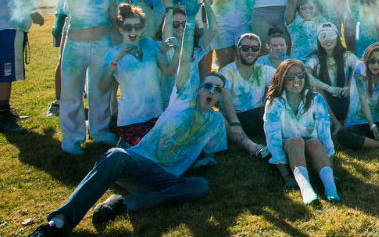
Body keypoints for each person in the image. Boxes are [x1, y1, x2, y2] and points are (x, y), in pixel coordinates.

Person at [26, 20, 228, 236]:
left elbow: (211, 147)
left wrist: (210, 156)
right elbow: (185, 64)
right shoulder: (183, 98)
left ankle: (124, 203)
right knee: (115, 155)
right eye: (208, 86)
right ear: (198, 90)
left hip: (163, 177)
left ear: (219, 97)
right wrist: (189, 24)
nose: (211, 92)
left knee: (199, 186)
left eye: (217, 89)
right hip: (140, 163)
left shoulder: (215, 122)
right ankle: (59, 222)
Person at [14, 0, 117, 154]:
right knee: (71, 93)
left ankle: (99, 132)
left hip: (102, 44)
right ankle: (72, 139)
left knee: (101, 91)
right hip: (76, 46)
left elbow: (109, 11)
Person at [98, 4, 179, 147]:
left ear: (142, 28)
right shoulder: (112, 53)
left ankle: (128, 146)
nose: (133, 31)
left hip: (155, 115)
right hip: (131, 120)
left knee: (168, 147)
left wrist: (177, 52)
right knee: (154, 149)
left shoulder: (148, 44)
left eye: (138, 27)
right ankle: (127, 145)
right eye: (128, 28)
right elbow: (103, 87)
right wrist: (116, 59)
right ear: (120, 29)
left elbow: (169, 71)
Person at [263, 59, 340, 205]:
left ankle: (330, 187)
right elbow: (273, 141)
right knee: (297, 140)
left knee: (315, 141)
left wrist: (330, 168)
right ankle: (306, 189)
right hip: (289, 151)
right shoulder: (274, 103)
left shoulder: (316, 99)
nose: (296, 80)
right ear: (281, 79)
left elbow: (325, 136)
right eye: (290, 77)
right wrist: (286, 176)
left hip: (313, 150)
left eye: (300, 75)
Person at [0, 0, 44, 132]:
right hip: (9, 24)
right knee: (6, 70)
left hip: (9, 24)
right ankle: (3, 115)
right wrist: (32, 10)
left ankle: (4, 110)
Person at [218, 33, 275, 157]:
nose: (250, 52)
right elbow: (226, 98)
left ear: (259, 51)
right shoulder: (226, 72)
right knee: (217, 117)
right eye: (245, 48)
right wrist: (234, 122)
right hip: (235, 116)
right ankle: (252, 147)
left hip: (258, 115)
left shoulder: (264, 70)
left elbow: (284, 79)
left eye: (254, 49)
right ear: (238, 51)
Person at [307, 22, 359, 123]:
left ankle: (348, 123)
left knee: (356, 90)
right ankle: (335, 124)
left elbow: (361, 69)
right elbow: (306, 75)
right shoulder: (314, 58)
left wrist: (350, 86)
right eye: (323, 36)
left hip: (344, 98)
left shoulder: (347, 56)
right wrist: (330, 89)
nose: (327, 39)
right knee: (317, 91)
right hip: (324, 102)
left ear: (337, 37)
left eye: (331, 35)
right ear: (318, 40)